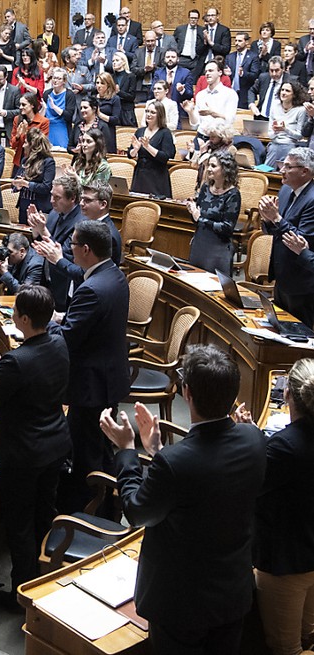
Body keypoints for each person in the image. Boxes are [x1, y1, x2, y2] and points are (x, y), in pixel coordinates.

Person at [100, 344, 266, 655]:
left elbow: (137, 511)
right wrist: (157, 451)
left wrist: (126, 450)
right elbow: (207, 487)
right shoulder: (254, 439)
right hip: (231, 595)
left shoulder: (176, 464)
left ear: (186, 393)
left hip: (181, 606)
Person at [0, 285, 68, 600]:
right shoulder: (60, 345)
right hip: (55, 446)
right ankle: (46, 576)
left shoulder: (16, 362)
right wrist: (0, 366)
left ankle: (22, 591)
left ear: (21, 317)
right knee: (44, 514)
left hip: (22, 456)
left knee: (19, 525)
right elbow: (28, 384)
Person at [45, 220, 129, 513]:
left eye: (73, 245)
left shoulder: (91, 288)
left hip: (90, 385)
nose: (70, 250)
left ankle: (86, 513)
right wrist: (64, 317)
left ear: (86, 250)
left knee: (86, 452)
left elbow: (68, 338)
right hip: (110, 377)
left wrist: (45, 326)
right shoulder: (114, 275)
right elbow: (93, 321)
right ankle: (109, 505)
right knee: (103, 445)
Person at [245, 358, 314, 655]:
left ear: (286, 395)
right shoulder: (288, 445)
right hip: (311, 556)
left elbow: (250, 487)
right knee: (309, 636)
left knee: (285, 649)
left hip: (286, 565)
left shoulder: (284, 447)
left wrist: (250, 441)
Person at [259, 147, 314, 327]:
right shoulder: (285, 190)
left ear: (305, 171)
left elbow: (300, 241)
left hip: (301, 282)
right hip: (281, 277)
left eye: (288, 167)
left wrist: (275, 218)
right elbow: (275, 231)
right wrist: (267, 221)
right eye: (283, 165)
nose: (282, 170)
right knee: (279, 329)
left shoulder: (312, 200)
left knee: (300, 334)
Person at [27, 174, 85, 310]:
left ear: (72, 198)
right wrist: (36, 229)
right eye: (51, 195)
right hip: (46, 280)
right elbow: (41, 244)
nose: (52, 201)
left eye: (57, 198)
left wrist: (43, 230)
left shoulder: (81, 223)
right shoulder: (54, 213)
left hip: (63, 286)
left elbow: (64, 254)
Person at [183, 151, 241, 274]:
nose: (208, 169)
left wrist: (200, 219)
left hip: (218, 251)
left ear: (225, 169)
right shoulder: (205, 188)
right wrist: (192, 211)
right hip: (200, 244)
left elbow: (227, 228)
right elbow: (196, 219)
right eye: (208, 165)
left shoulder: (233, 195)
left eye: (213, 166)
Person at [129, 100, 176, 197]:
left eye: (153, 112)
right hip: (140, 175)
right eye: (147, 111)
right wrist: (135, 149)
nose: (148, 114)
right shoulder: (140, 131)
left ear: (160, 115)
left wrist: (148, 147)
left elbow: (166, 157)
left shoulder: (165, 133)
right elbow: (130, 155)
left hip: (157, 177)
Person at [184, 60, 238, 138]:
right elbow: (195, 125)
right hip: (201, 136)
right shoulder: (200, 95)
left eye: (211, 71)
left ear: (220, 72)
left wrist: (212, 113)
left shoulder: (230, 94)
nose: (207, 74)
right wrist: (190, 112)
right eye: (206, 72)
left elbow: (230, 120)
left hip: (220, 137)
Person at [12, 128, 55, 215]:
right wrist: (16, 185)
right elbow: (15, 181)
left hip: (39, 208)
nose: (23, 146)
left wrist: (26, 184)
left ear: (33, 146)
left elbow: (46, 187)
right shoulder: (24, 160)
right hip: (24, 205)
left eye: (25, 143)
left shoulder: (48, 162)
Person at [266, 81, 308, 168]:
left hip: (289, 145)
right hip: (274, 143)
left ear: (294, 95)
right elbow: (270, 134)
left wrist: (285, 129)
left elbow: (299, 136)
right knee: (266, 169)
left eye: (287, 91)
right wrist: (275, 131)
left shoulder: (300, 110)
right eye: (282, 90)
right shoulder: (274, 107)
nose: (283, 93)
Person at [10, 93, 50, 169]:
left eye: (24, 104)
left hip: (35, 160)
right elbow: (13, 144)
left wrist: (26, 133)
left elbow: (40, 144)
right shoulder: (17, 119)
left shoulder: (43, 121)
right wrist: (18, 136)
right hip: (19, 160)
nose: (21, 107)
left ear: (32, 105)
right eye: (20, 104)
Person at [225, 32, 260, 109]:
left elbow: (255, 75)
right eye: (236, 40)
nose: (237, 43)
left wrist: (243, 74)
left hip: (245, 94)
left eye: (240, 41)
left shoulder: (253, 56)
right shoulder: (229, 57)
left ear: (246, 42)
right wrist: (227, 74)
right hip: (231, 93)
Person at [44, 68, 75, 148]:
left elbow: (69, 116)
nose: (55, 80)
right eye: (54, 78)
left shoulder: (69, 94)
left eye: (59, 78)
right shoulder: (47, 94)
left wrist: (54, 107)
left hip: (62, 127)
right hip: (48, 127)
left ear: (64, 81)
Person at [112, 52, 138, 126]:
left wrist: (119, 92)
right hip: (114, 111)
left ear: (123, 62)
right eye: (113, 61)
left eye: (117, 60)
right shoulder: (111, 77)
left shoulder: (131, 76)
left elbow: (132, 96)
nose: (114, 63)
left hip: (127, 111)